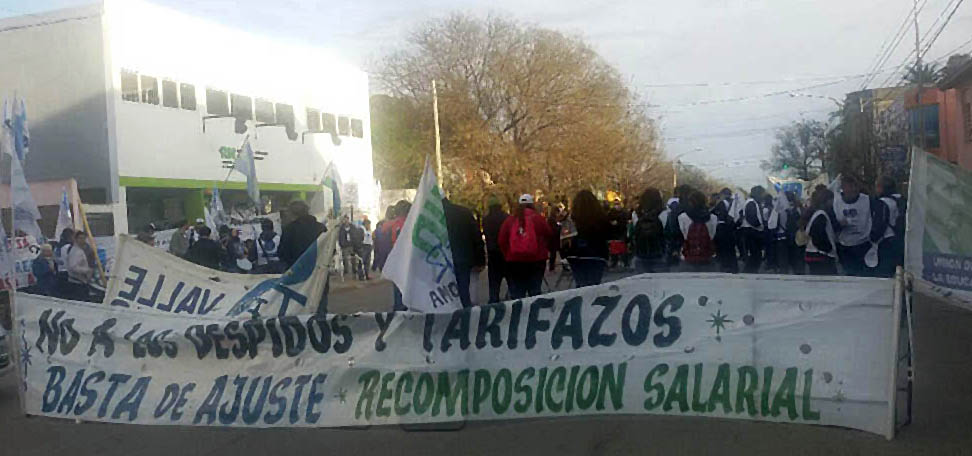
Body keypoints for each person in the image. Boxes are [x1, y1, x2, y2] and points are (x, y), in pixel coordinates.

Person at [498, 194, 553, 299]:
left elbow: (501, 240)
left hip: (514, 261)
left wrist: (508, 254)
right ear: (532, 204)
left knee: (518, 293)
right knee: (535, 291)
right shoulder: (538, 218)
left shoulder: (510, 220)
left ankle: (520, 313)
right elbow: (549, 234)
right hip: (536, 260)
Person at [443, 198, 487, 306]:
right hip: (463, 259)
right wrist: (480, 259)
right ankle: (466, 314)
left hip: (442, 262)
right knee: (463, 291)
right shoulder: (464, 212)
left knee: (445, 294)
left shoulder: (433, 216)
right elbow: (476, 237)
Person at [563, 190, 610, 287]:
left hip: (576, 255)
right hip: (597, 255)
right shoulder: (600, 217)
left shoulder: (572, 218)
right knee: (594, 285)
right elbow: (608, 234)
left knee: (580, 284)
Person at [833, 175, 873, 276]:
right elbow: (831, 224)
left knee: (863, 274)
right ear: (844, 189)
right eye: (849, 188)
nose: (853, 190)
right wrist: (839, 225)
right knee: (849, 274)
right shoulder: (836, 202)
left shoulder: (867, 200)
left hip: (863, 243)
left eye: (855, 188)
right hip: (845, 245)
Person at [678, 190, 719, 272]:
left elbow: (682, 235)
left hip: (688, 256)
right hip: (707, 256)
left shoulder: (682, 217)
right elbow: (713, 235)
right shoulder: (713, 218)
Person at [871, 176, 903, 278]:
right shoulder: (902, 199)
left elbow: (880, 224)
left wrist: (873, 238)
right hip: (901, 239)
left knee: (884, 274)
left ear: (881, 187)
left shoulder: (882, 202)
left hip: (886, 241)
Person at [279, 200, 326, 268]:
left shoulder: (289, 229)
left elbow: (282, 253)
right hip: (318, 270)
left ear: (293, 214)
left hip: (296, 270)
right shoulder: (321, 227)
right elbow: (328, 249)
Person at [382, 200, 411, 310]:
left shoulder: (391, 224)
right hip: (408, 259)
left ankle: (398, 308)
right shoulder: (411, 222)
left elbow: (383, 231)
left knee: (397, 286)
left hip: (395, 258)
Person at [803, 188, 838, 275]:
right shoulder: (821, 215)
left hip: (813, 254)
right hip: (821, 255)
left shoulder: (815, 213)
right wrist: (828, 249)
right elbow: (817, 234)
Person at [633, 187, 667, 273]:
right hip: (659, 253)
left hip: (641, 253)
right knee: (659, 284)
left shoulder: (636, 214)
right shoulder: (664, 213)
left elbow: (635, 231)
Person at [483, 196, 510, 303]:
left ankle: (494, 302)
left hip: (493, 254)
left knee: (494, 284)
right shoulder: (507, 217)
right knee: (512, 282)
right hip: (507, 254)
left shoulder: (486, 220)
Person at [739, 186, 766, 274]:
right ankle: (749, 272)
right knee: (755, 254)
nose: (763, 196)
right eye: (762, 194)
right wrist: (760, 225)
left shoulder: (753, 202)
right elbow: (751, 218)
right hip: (751, 231)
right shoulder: (751, 203)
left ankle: (751, 271)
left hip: (752, 230)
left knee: (756, 254)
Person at [711, 188, 738, 273]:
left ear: (723, 194)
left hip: (722, 227)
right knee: (731, 249)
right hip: (731, 228)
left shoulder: (722, 203)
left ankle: (725, 266)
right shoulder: (733, 203)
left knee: (723, 248)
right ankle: (733, 267)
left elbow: (716, 213)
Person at [65, 231, 95, 301]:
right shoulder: (75, 251)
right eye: (80, 238)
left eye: (84, 238)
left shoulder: (81, 250)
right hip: (77, 283)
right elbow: (73, 267)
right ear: (76, 239)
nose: (82, 240)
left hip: (81, 281)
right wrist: (87, 270)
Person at [607, 199, 630, 270]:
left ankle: (625, 262)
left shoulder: (624, 213)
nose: (617, 206)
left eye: (618, 204)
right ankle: (615, 262)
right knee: (614, 249)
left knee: (622, 249)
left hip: (621, 233)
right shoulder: (611, 213)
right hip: (614, 234)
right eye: (615, 204)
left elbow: (625, 223)